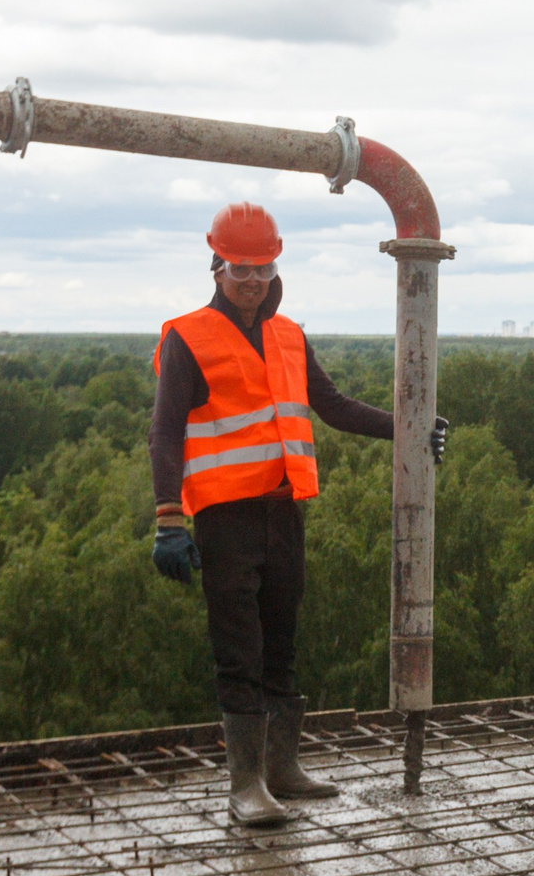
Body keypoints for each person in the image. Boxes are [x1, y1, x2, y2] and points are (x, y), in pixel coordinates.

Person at [149, 201, 446, 827]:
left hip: (284, 514)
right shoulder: (187, 337)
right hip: (225, 518)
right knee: (240, 649)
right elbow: (165, 434)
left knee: (281, 641)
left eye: (262, 266)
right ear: (216, 267)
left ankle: (283, 769)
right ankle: (246, 785)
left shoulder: (288, 335)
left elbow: (332, 406)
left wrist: (410, 428)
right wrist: (168, 518)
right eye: (239, 267)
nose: (252, 279)